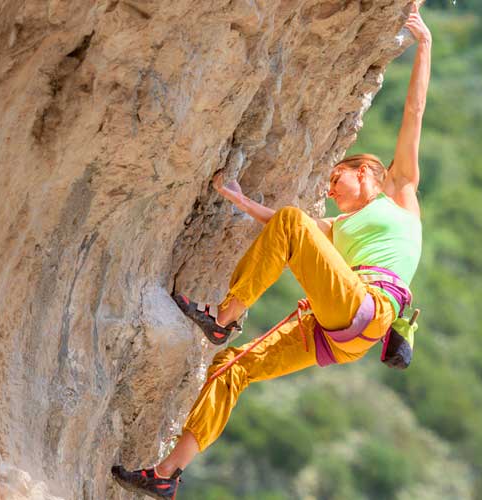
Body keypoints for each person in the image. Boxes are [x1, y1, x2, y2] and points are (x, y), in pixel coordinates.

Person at [111, 3, 430, 498]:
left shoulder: (401, 195)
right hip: (343, 333)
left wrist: (424, 45)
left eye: (336, 178)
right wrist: (238, 198)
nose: (330, 188)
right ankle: (167, 474)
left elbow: (414, 114)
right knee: (231, 368)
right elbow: (285, 231)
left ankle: (224, 316)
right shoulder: (341, 227)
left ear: (366, 172)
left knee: (291, 221)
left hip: (369, 305)